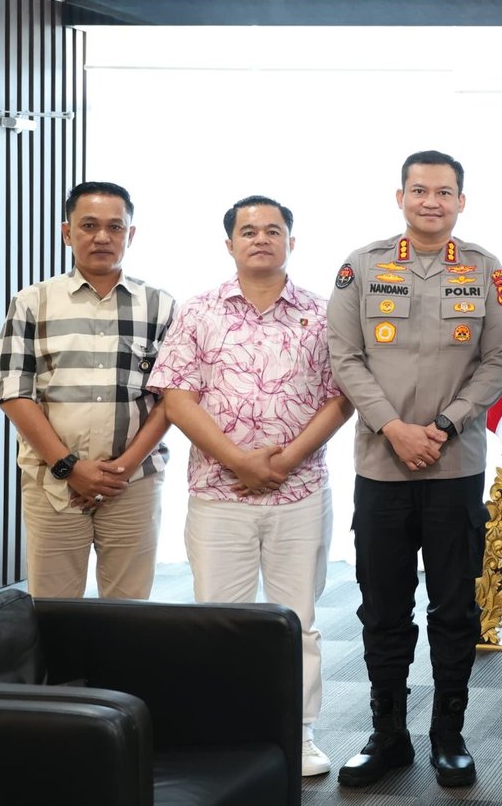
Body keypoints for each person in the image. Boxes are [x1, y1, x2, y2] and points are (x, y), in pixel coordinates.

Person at [147, 195, 353, 779]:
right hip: (219, 492)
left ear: (292, 241)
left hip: (300, 490)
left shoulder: (323, 313)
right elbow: (177, 397)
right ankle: (226, 730)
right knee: (220, 617)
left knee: (298, 619)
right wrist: (239, 461)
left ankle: (299, 731)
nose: (261, 238)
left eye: (273, 230)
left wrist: (285, 460)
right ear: (230, 243)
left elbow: (341, 397)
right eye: (248, 230)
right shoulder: (199, 311)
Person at [327, 150, 502, 789]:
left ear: (462, 201)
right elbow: (344, 356)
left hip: (454, 465)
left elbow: (499, 360)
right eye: (419, 190)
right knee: (383, 607)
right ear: (400, 197)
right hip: (382, 466)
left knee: (455, 607)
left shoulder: (485, 269)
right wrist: (394, 427)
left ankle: (449, 735)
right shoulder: (362, 266)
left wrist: (445, 425)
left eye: (443, 191)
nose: (431, 201)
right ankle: (387, 735)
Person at [0, 181, 174, 600]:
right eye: (89, 225)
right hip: (53, 483)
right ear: (67, 233)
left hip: (134, 483)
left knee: (129, 611)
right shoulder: (32, 302)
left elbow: (173, 398)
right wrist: (69, 467)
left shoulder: (160, 306)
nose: (102, 237)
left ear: (130, 234)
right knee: (53, 611)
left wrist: (123, 468)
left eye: (115, 227)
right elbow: (12, 390)